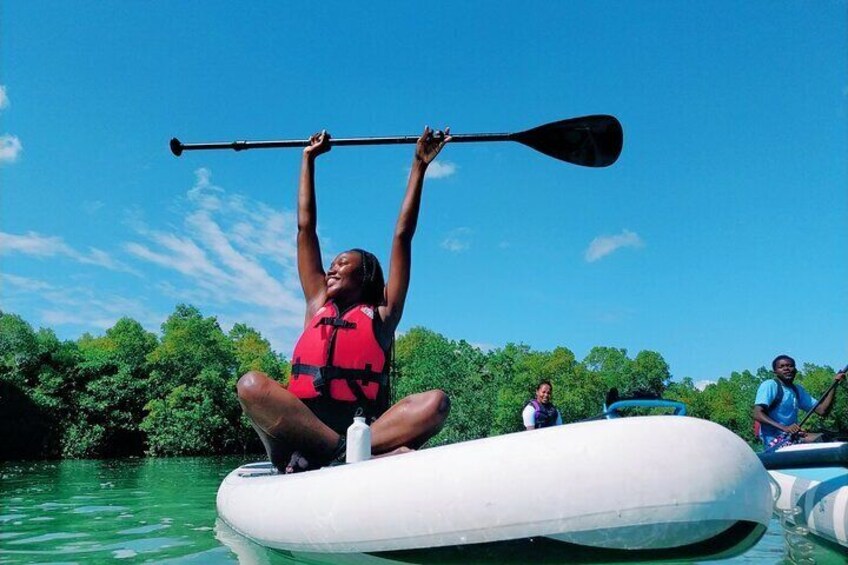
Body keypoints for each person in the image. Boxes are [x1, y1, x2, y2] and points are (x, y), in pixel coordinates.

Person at [236, 126, 452, 473]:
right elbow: (305, 228)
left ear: (363, 277)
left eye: (341, 266)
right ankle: (338, 452)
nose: (331, 270)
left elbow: (402, 236)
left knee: (436, 403)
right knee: (249, 385)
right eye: (332, 264)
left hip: (364, 432)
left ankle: (334, 454)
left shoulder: (383, 316)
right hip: (300, 433)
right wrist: (308, 160)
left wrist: (419, 166)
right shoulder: (317, 303)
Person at [752, 354, 845, 447]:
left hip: (793, 437)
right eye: (781, 367)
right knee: (823, 440)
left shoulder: (797, 390)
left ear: (795, 370)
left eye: (790, 366)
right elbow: (757, 414)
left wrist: (835, 384)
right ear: (775, 372)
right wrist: (785, 428)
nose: (786, 369)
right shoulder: (770, 385)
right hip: (775, 441)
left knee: (833, 439)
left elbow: (822, 410)